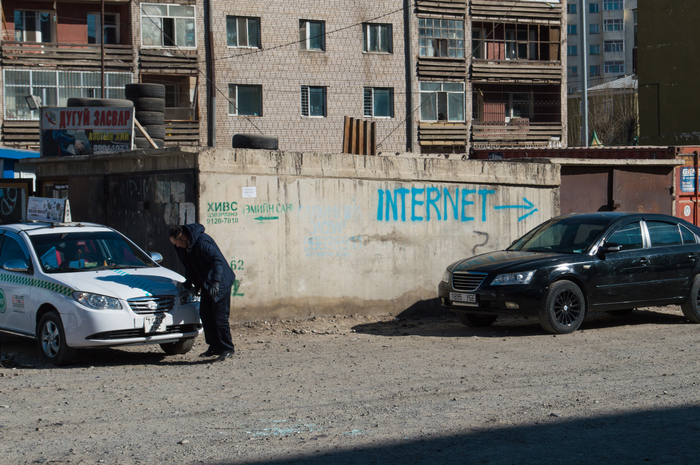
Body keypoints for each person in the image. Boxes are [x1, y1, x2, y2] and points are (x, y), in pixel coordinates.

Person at [169, 224, 235, 361]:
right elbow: (189, 266)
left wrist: (215, 282)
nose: (177, 246)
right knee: (205, 315)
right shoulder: (181, 247)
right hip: (206, 283)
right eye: (174, 244)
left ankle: (227, 348)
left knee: (219, 317)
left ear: (184, 237)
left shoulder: (202, 242)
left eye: (178, 243)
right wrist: (188, 284)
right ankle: (214, 347)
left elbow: (217, 261)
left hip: (219, 281)